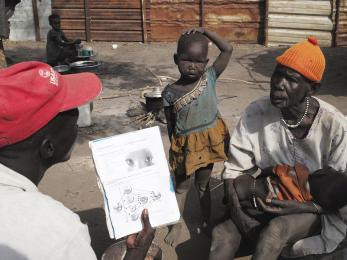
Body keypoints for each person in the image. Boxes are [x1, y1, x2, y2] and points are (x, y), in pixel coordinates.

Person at [209, 36, 347, 260]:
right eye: (278, 74)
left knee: (275, 232)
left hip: (314, 208)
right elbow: (233, 171)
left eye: (290, 79)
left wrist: (300, 207)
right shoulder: (256, 112)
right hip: (270, 195)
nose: (278, 83)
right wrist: (239, 217)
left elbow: (340, 195)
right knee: (221, 234)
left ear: (312, 88)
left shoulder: (335, 126)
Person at [0, 61, 155, 260]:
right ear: (49, 147)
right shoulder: (59, 233)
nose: (78, 127)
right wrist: (137, 254)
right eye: (74, 122)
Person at [162, 28, 233, 246]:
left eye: (199, 61)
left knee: (203, 186)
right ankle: (177, 223)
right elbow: (171, 123)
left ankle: (206, 220)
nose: (193, 65)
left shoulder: (209, 77)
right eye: (187, 60)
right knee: (182, 187)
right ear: (176, 59)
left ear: (206, 61)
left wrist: (206, 32)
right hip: (186, 145)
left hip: (208, 143)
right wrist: (175, 147)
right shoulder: (170, 92)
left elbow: (228, 49)